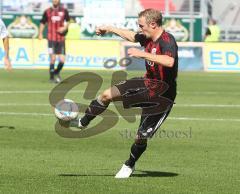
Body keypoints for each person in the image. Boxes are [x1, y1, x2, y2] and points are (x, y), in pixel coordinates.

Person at [64, 9, 178, 178]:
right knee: (106, 95)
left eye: (142, 25)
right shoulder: (147, 37)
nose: (139, 29)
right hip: (146, 83)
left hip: (162, 95)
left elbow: (169, 61)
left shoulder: (167, 40)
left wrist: (142, 54)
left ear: (153, 24)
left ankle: (129, 164)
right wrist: (109, 28)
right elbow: (132, 36)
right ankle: (82, 122)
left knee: (141, 137)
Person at [38, 0, 70, 83]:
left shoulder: (64, 11)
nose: (55, 0)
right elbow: (42, 22)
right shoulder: (47, 11)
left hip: (61, 39)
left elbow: (68, 22)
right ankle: (51, 78)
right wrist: (40, 33)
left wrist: (65, 28)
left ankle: (56, 72)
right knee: (53, 58)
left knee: (62, 60)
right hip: (51, 39)